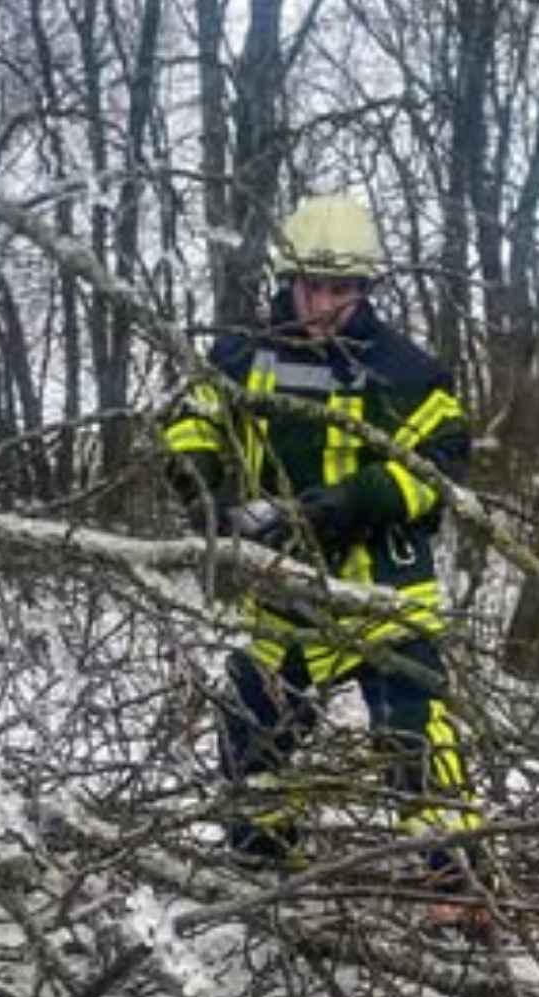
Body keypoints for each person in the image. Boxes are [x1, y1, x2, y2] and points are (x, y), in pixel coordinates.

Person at [161, 192, 479, 896]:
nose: (328, 302)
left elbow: (444, 471)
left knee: (414, 734)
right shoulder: (239, 358)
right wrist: (201, 489)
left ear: (365, 289)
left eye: (344, 288)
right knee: (252, 725)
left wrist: (349, 502)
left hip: (384, 588)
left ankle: (456, 884)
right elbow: (190, 424)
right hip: (280, 585)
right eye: (316, 285)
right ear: (289, 280)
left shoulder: (409, 371)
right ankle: (262, 868)